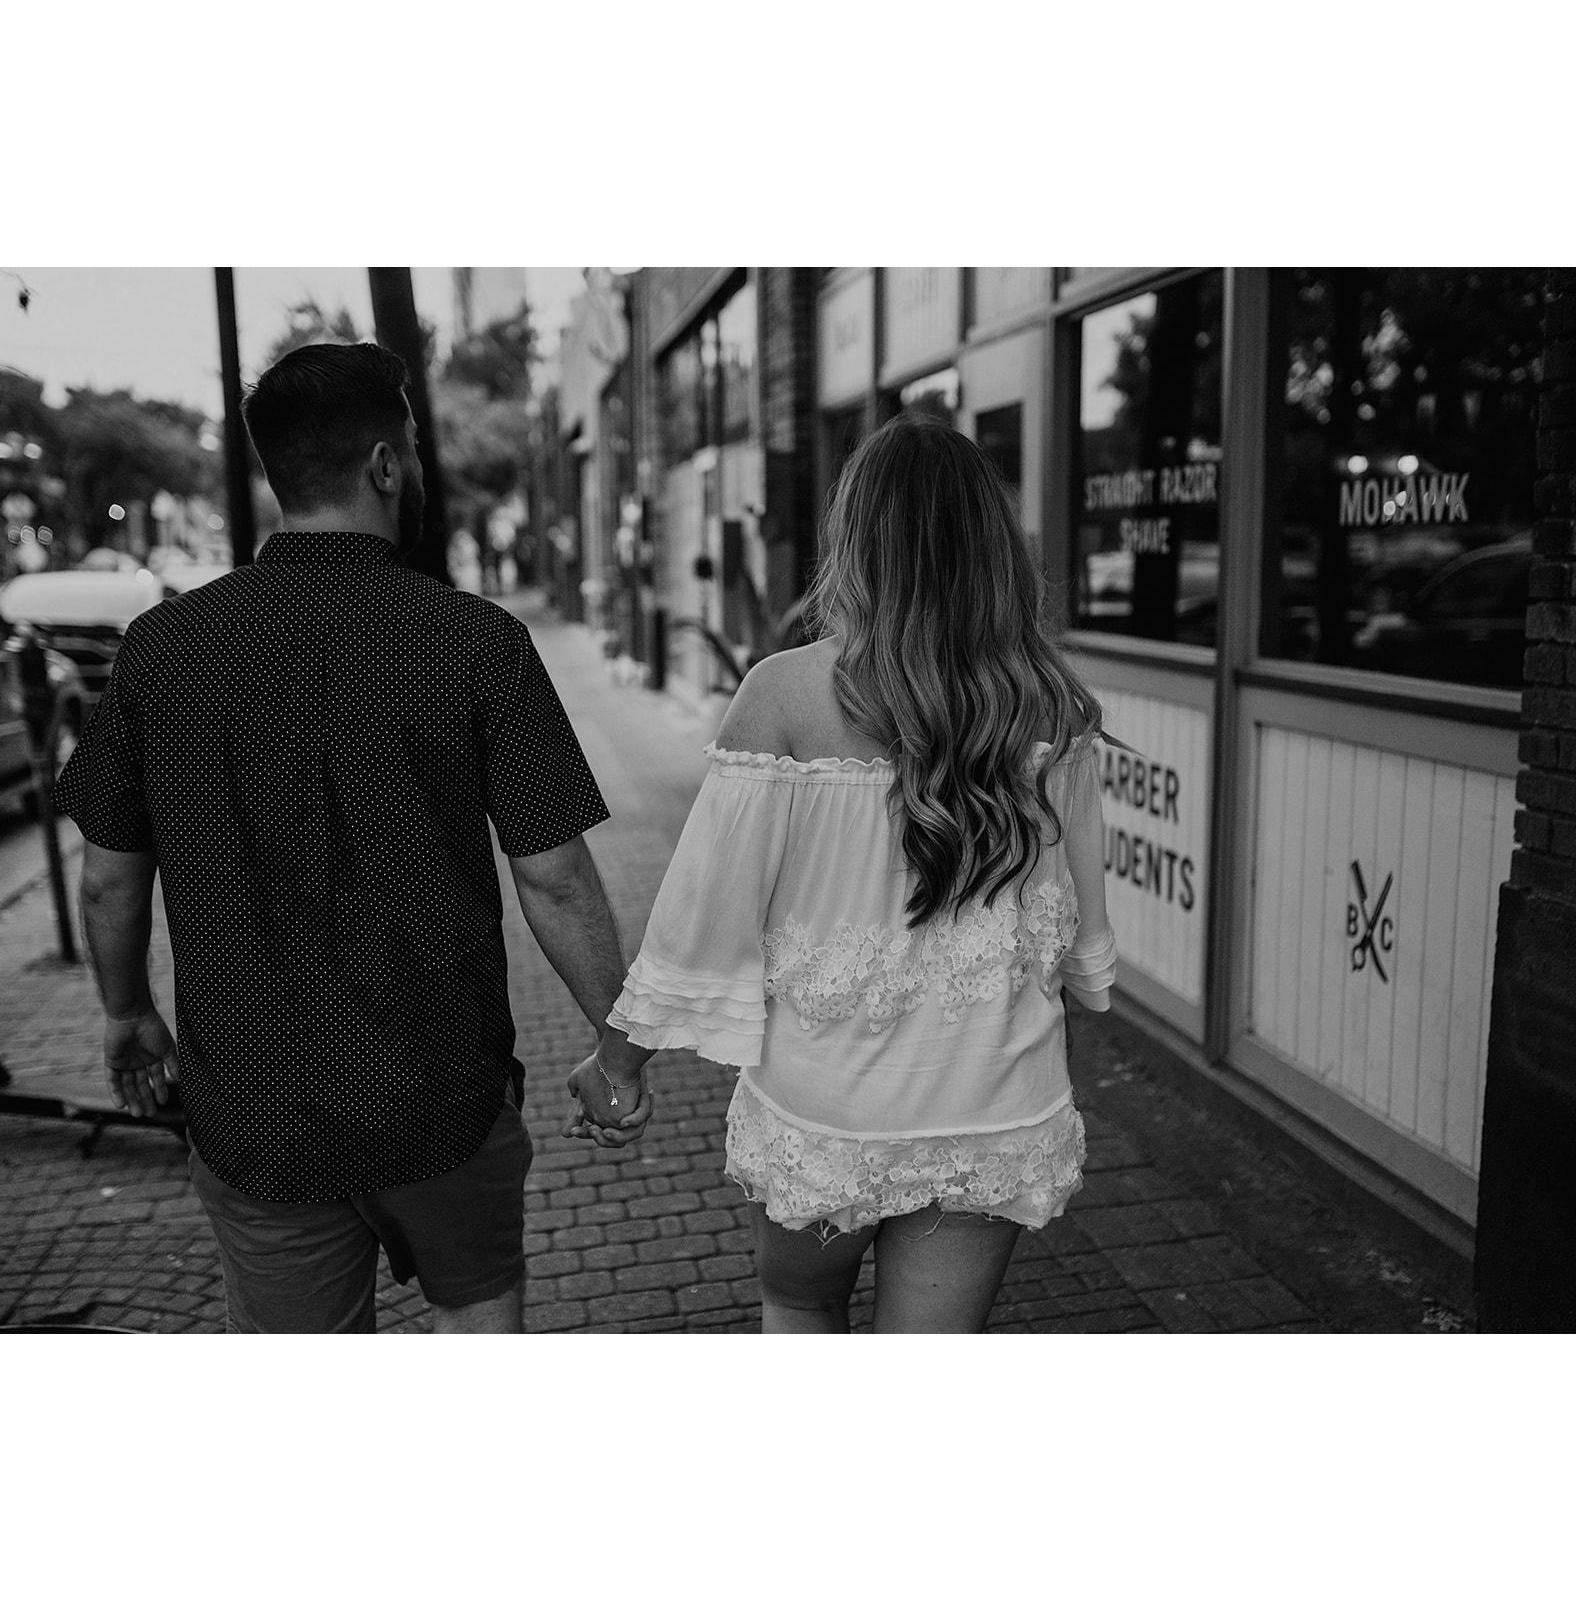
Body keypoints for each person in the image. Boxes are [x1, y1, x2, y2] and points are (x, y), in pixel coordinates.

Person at [54, 342, 648, 1334]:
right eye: (410, 445)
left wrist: (126, 1012)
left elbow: (109, 878)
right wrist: (616, 1044)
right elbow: (553, 876)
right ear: (383, 464)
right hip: (442, 1093)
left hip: (257, 1110)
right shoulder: (475, 641)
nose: (412, 464)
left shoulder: (163, 648)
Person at [574, 410, 1117, 1333]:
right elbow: (1077, 928)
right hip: (992, 1101)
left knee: (800, 1303)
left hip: (828, 1108)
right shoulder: (1051, 704)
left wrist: (618, 1063)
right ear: (996, 546)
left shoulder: (783, 694)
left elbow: (702, 917)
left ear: (855, 543)